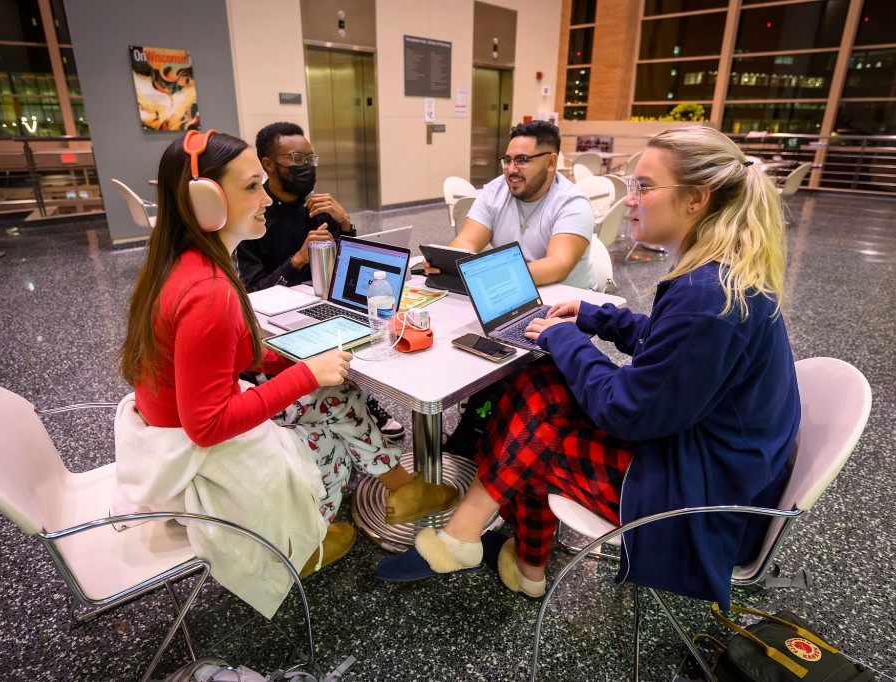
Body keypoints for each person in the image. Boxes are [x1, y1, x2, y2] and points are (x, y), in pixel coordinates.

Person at [377, 127, 800, 609]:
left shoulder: (707, 299)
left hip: (704, 500)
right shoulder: (716, 275)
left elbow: (628, 411)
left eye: (643, 186)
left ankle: (479, 542)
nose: (629, 199)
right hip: (709, 455)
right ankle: (510, 556)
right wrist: (596, 317)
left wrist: (564, 338)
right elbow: (667, 352)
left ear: (696, 200)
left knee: (527, 440)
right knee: (537, 382)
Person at [115, 130, 458, 618]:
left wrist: (292, 364)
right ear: (207, 200)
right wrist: (305, 375)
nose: (267, 197)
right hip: (199, 461)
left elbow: (232, 354)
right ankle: (304, 546)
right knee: (335, 430)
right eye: (254, 186)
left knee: (337, 397)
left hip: (169, 436)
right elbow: (207, 425)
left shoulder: (185, 265)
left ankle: (401, 490)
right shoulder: (209, 291)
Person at [235, 121, 404, 440]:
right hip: (276, 320)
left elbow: (350, 273)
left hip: (320, 305)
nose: (306, 168)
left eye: (310, 159)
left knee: (366, 332)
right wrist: (297, 259)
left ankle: (360, 401)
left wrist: (347, 225)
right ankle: (344, 404)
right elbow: (254, 292)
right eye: (296, 159)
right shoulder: (255, 216)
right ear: (268, 164)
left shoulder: (317, 207)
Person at [427, 120, 596, 290]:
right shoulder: (494, 192)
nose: (511, 169)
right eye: (507, 160)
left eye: (522, 160)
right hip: (513, 291)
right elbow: (467, 241)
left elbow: (558, 265)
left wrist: (491, 275)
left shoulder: (572, 203)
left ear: (550, 163)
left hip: (568, 301)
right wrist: (447, 262)